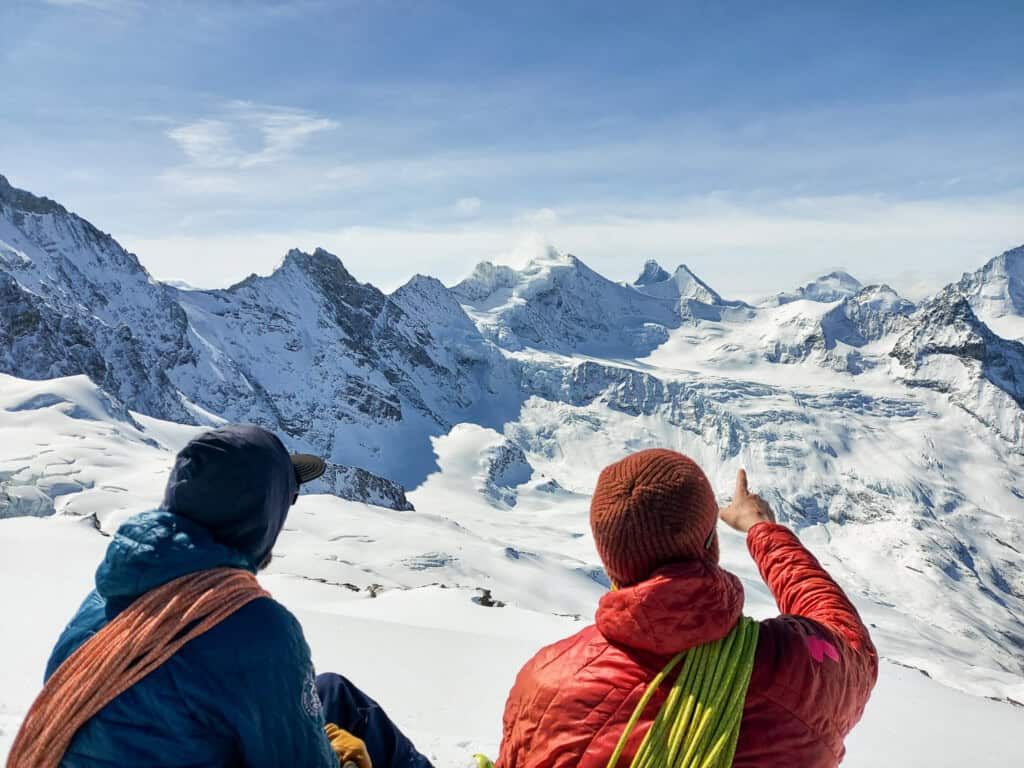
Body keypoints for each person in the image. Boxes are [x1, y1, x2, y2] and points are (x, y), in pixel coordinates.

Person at [11, 424, 433, 768]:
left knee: (330, 693)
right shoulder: (253, 629)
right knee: (354, 718)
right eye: (288, 496)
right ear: (261, 513)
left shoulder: (111, 599)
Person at [493, 449, 878, 768]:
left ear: (609, 558)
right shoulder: (796, 673)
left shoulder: (544, 683)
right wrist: (761, 529)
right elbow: (845, 637)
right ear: (709, 542)